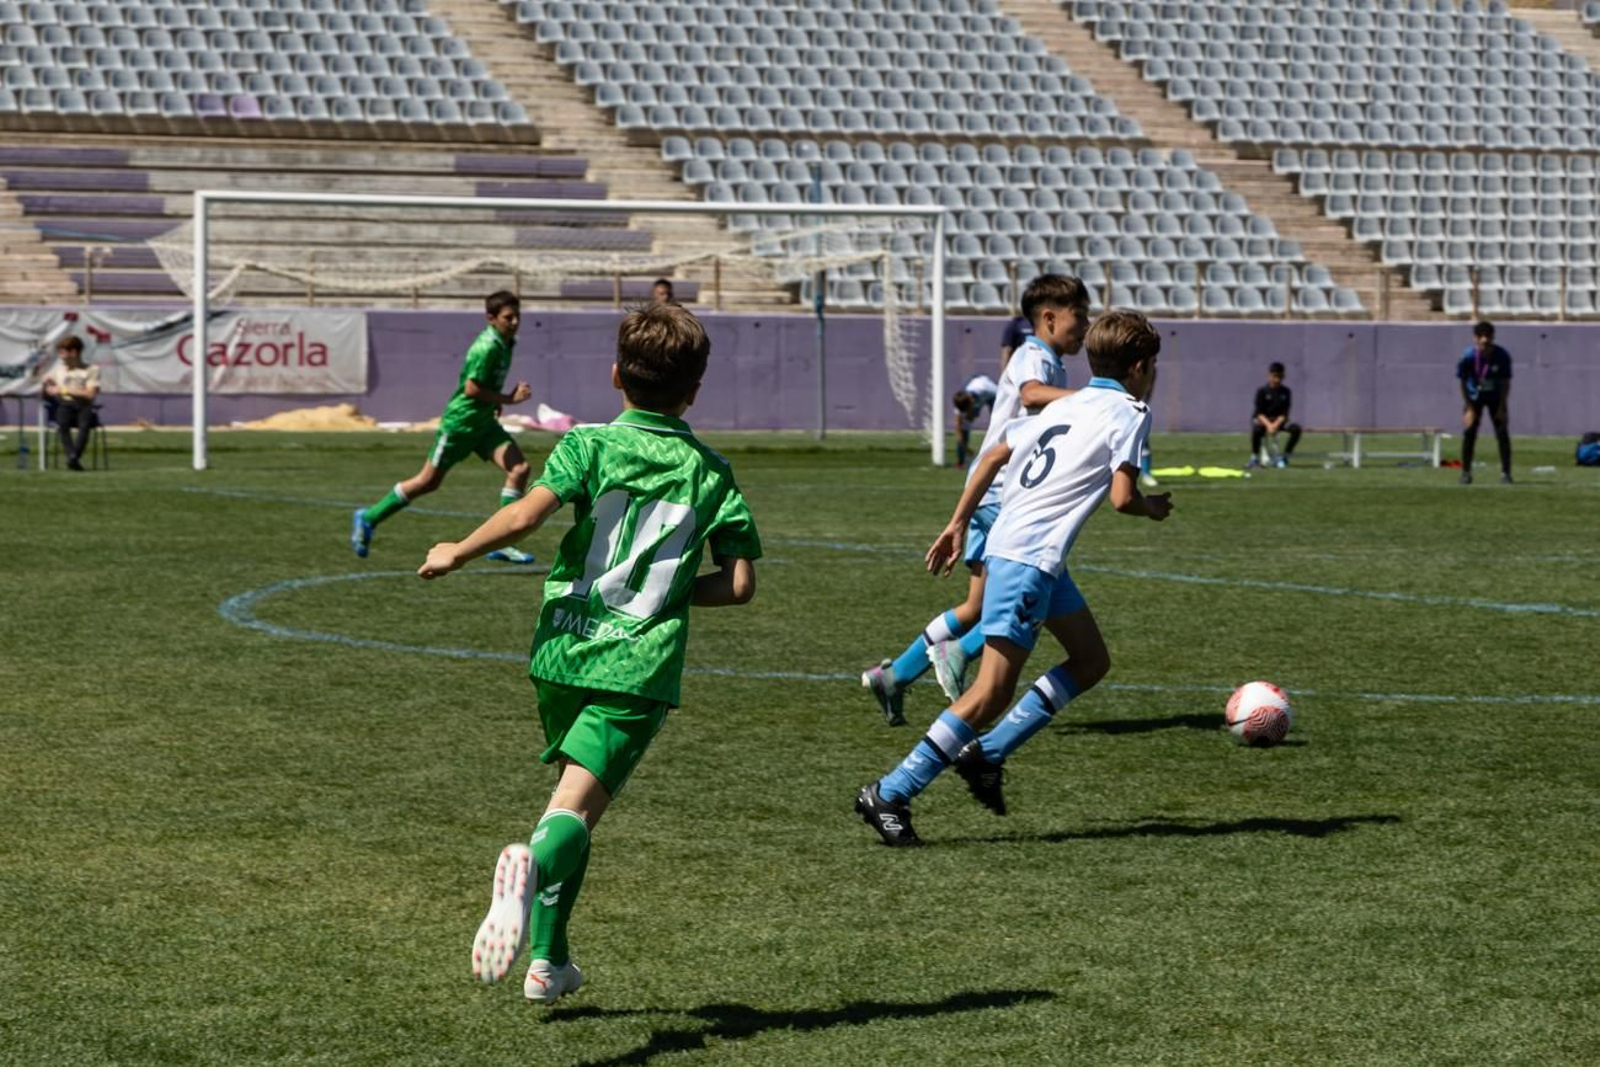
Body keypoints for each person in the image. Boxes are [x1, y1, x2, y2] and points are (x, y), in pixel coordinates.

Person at [419, 302, 761, 1003]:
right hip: (635, 664)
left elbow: (525, 515)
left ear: (615, 375)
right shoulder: (713, 472)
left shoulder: (588, 444)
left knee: (572, 803)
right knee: (568, 815)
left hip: (562, 648)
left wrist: (457, 548)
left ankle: (549, 960)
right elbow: (739, 584)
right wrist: (665, 591)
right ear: (695, 389)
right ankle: (528, 866)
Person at [856, 310, 1171, 847]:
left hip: (1029, 553)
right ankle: (891, 791)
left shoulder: (1066, 402)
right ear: (1140, 367)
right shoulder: (1130, 411)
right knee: (989, 692)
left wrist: (958, 521)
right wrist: (1152, 507)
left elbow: (998, 450)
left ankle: (990, 755)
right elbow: (1121, 499)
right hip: (1028, 559)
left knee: (1091, 659)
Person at [861, 275, 1089, 727]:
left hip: (991, 493)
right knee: (1029, 593)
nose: (1086, 326)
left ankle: (895, 676)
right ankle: (958, 652)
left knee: (978, 605)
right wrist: (1093, 400)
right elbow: (1030, 396)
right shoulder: (1033, 356)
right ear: (1049, 318)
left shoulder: (1051, 362)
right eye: (1079, 317)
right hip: (1004, 495)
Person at [351, 290, 537, 562]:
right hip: (461, 423)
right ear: (491, 318)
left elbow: (485, 385)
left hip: (483, 422)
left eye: (517, 316)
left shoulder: (507, 342)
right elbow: (472, 389)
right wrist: (507, 398)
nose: (515, 322)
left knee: (519, 469)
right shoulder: (485, 346)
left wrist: (496, 401)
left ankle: (502, 542)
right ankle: (369, 517)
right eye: (508, 317)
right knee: (428, 482)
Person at [1457, 320, 1512, 485]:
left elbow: (1505, 383)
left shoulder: (1502, 355)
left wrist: (1502, 407)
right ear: (1475, 338)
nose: (1484, 340)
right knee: (1469, 434)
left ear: (1493, 337)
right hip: (1474, 398)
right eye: (1481, 336)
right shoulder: (1467, 356)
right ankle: (1466, 473)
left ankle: (1506, 473)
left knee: (1502, 434)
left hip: (1495, 397)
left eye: (1487, 336)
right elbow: (1462, 382)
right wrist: (1469, 408)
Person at [42, 335, 99, 472]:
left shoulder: (91, 370)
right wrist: (47, 386)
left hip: (83, 405)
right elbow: (50, 390)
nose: (60, 357)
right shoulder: (58, 371)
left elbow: (90, 394)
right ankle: (72, 458)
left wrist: (62, 389)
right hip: (65, 405)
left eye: (62, 353)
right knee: (62, 424)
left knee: (84, 425)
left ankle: (73, 457)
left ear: (73, 352)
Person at [1247, 361, 1302, 469]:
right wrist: (1268, 425)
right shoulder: (1262, 391)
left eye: (1280, 377)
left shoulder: (1286, 392)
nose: (1277, 380)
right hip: (1264, 421)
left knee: (1296, 429)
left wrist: (1276, 424)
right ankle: (1254, 458)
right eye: (1275, 376)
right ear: (1269, 376)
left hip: (1279, 421)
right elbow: (1259, 413)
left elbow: (1285, 413)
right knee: (1257, 429)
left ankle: (1285, 457)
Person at [951, 372, 997, 468]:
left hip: (992, 396)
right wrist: (965, 447)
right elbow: (957, 427)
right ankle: (961, 461)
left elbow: (1002, 395)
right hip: (976, 396)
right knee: (964, 427)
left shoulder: (987, 388)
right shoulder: (961, 402)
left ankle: (997, 453)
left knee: (998, 423)